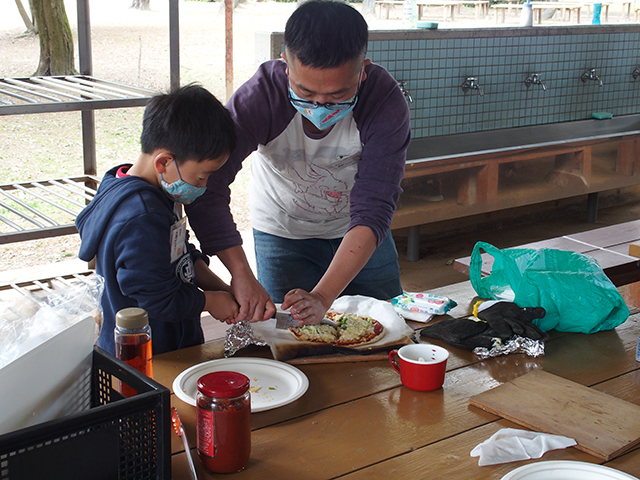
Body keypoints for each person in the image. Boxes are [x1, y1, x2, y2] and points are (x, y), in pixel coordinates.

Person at [185, 0, 411, 326]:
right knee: (289, 334)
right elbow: (208, 184)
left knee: (384, 328)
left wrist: (322, 296)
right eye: (304, 91)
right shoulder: (260, 97)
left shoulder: (384, 102)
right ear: (285, 65)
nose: (320, 104)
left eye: (337, 95)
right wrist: (240, 274)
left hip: (358, 233)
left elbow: (374, 206)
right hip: (282, 231)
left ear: (362, 71)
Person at [76, 84, 240, 355]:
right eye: (201, 177)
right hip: (147, 357)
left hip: (166, 346)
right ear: (164, 162)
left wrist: (222, 288)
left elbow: (179, 254)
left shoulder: (136, 187)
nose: (205, 185)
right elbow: (158, 299)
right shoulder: (142, 217)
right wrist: (210, 302)